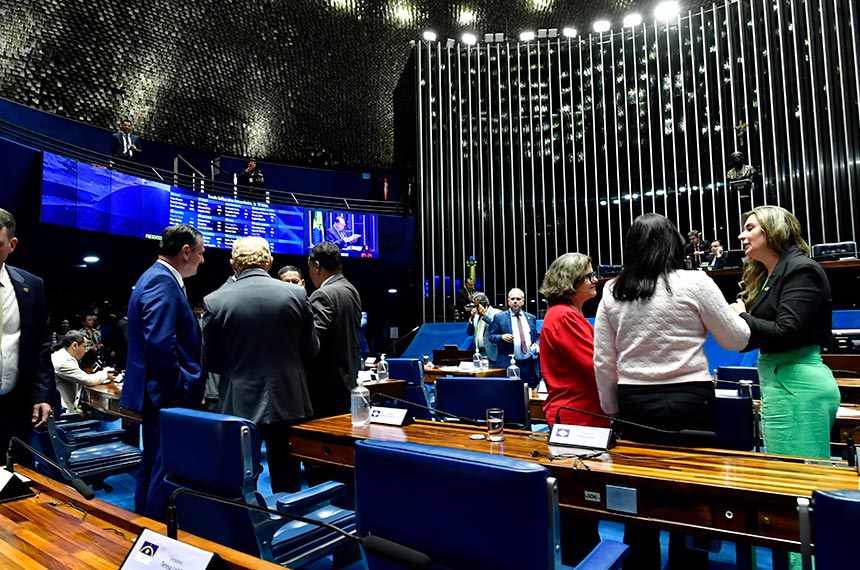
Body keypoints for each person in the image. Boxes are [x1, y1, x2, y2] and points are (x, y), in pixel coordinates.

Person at [593, 213, 750, 569]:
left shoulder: (613, 290)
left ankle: (640, 562)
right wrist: (736, 312)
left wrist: (611, 407)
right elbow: (736, 338)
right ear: (674, 243)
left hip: (635, 403)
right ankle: (688, 561)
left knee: (639, 493)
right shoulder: (696, 281)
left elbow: (603, 360)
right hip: (690, 400)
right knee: (692, 494)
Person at [203, 237, 319, 493]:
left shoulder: (215, 300)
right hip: (288, 398)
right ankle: (289, 527)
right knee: (288, 477)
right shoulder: (297, 294)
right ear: (270, 262)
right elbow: (311, 350)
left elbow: (211, 361)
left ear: (233, 265)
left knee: (240, 478)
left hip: (237, 403)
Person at [730, 205, 840, 459]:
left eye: (749, 228)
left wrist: (742, 317)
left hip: (797, 386)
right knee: (787, 476)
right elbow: (758, 336)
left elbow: (786, 331)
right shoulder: (769, 275)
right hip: (781, 385)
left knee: (799, 481)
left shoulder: (802, 269)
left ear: (772, 230)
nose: (741, 236)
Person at [120, 224, 205, 520]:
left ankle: (144, 524)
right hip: (165, 394)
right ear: (185, 252)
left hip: (157, 392)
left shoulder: (155, 277)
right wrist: (179, 388)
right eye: (200, 252)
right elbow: (160, 343)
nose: (202, 259)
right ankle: (155, 534)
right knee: (162, 466)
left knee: (154, 463)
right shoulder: (162, 281)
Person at [538, 252, 606, 566]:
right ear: (571, 282)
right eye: (589, 275)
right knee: (581, 510)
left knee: (583, 511)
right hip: (578, 421)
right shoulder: (563, 316)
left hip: (580, 419)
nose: (595, 280)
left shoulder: (567, 314)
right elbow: (595, 366)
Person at [0, 209, 54, 462]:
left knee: (19, 479)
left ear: (12, 245)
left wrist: (42, 395)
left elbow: (41, 345)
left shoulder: (31, 286)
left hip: (15, 405)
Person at [306, 241, 361, 418]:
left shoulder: (323, 294)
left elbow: (313, 342)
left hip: (325, 387)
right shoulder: (351, 289)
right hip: (346, 381)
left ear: (316, 266)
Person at [488, 288, 540, 387]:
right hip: (509, 364)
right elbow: (491, 337)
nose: (515, 301)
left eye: (518, 299)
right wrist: (502, 337)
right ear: (508, 301)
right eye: (512, 299)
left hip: (528, 364)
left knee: (528, 393)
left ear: (523, 301)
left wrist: (537, 345)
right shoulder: (500, 317)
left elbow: (536, 336)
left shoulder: (531, 317)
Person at [52, 330, 113, 413]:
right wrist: (105, 373)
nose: (85, 350)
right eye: (84, 347)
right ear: (75, 345)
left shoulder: (63, 355)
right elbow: (88, 380)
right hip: (63, 413)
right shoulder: (63, 362)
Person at [465, 293, 499, 363]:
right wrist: (471, 318)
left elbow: (498, 327)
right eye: (474, 306)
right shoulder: (477, 315)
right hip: (478, 353)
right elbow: (469, 332)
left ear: (484, 305)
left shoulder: (497, 313)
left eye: (477, 306)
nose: (475, 309)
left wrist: (485, 315)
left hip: (491, 353)